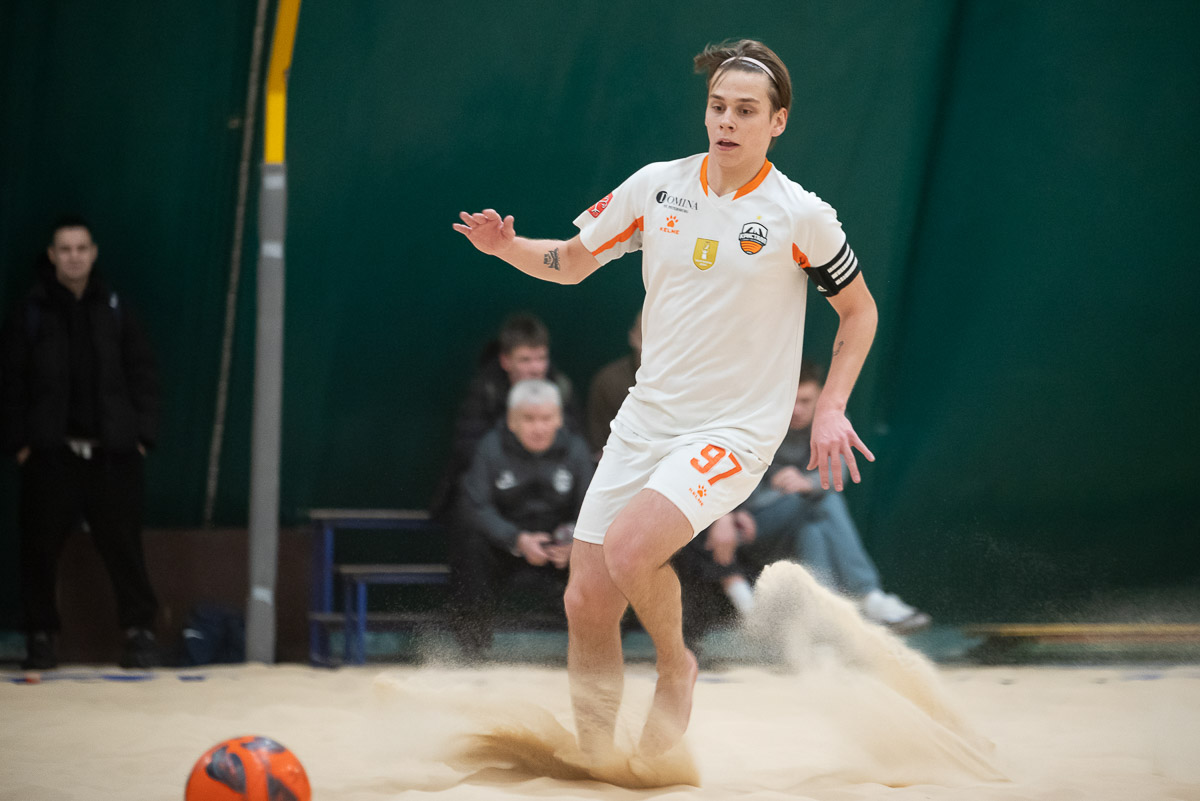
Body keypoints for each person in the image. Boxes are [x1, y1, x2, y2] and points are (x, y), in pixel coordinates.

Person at [453, 39, 878, 757]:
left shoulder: (801, 215)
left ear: (777, 122)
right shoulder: (657, 187)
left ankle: (676, 665)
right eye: (718, 106)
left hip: (734, 429)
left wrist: (832, 405)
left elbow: (859, 311)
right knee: (586, 599)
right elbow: (573, 261)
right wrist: (507, 249)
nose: (727, 121)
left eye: (746, 110)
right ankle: (597, 757)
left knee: (629, 550)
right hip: (647, 418)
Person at [0, 216, 160, 670]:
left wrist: (142, 437)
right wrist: (20, 445)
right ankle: (40, 638)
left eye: (81, 248)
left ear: (93, 253)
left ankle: (140, 633)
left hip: (112, 455)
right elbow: (10, 383)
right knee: (38, 551)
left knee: (124, 547)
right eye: (65, 249)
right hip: (50, 456)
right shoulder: (30, 313)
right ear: (52, 256)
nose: (74, 257)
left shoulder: (116, 309)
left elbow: (143, 375)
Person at [689, 364, 931, 633]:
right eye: (791, 401)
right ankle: (868, 595)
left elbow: (838, 474)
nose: (797, 410)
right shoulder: (759, 419)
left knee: (812, 528)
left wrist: (807, 483)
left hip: (799, 513)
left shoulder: (831, 419)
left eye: (805, 401)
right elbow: (722, 471)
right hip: (749, 521)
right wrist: (730, 511)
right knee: (825, 500)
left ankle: (826, 617)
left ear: (820, 397)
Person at [452, 379, 596, 658]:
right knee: (470, 542)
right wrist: (516, 540)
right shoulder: (490, 448)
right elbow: (475, 507)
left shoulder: (576, 450)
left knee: (601, 549)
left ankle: (594, 650)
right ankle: (473, 651)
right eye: (529, 419)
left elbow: (594, 507)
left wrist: (577, 545)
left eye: (546, 418)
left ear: (559, 419)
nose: (538, 427)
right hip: (507, 546)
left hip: (562, 550)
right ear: (512, 421)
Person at [431, 312, 582, 522]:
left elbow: (576, 445)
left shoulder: (561, 388)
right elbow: (468, 450)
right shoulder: (486, 389)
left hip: (551, 497)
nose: (536, 368)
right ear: (505, 360)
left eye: (541, 358)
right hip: (497, 495)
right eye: (525, 360)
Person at [585, 311, 641, 454]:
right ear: (633, 337)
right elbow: (600, 444)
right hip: (620, 458)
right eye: (645, 338)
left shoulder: (685, 379)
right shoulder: (609, 381)